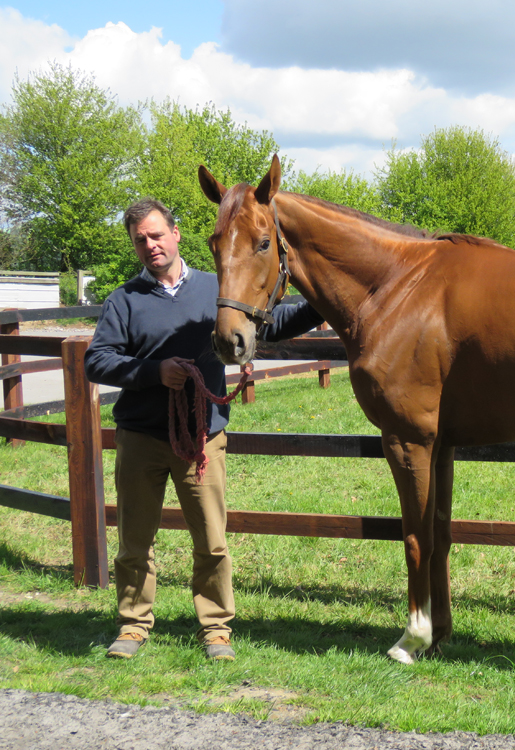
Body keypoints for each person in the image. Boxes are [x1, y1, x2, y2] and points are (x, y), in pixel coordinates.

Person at [84, 198, 324, 661]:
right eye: (141, 240)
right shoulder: (123, 300)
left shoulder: (220, 288)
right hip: (140, 439)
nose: (150, 245)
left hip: (202, 440)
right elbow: (98, 360)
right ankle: (133, 625)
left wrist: (319, 301)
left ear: (175, 235)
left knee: (211, 540)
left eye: (156, 235)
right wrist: (154, 372)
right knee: (135, 541)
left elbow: (269, 324)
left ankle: (216, 629)